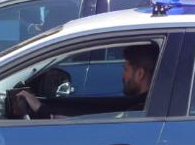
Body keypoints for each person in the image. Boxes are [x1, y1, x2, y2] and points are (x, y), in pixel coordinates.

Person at [8, 43, 158, 120]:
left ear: (139, 74)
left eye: (126, 69)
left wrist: (41, 110)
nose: (122, 75)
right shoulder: (147, 106)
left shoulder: (138, 113)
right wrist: (42, 108)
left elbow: (96, 128)